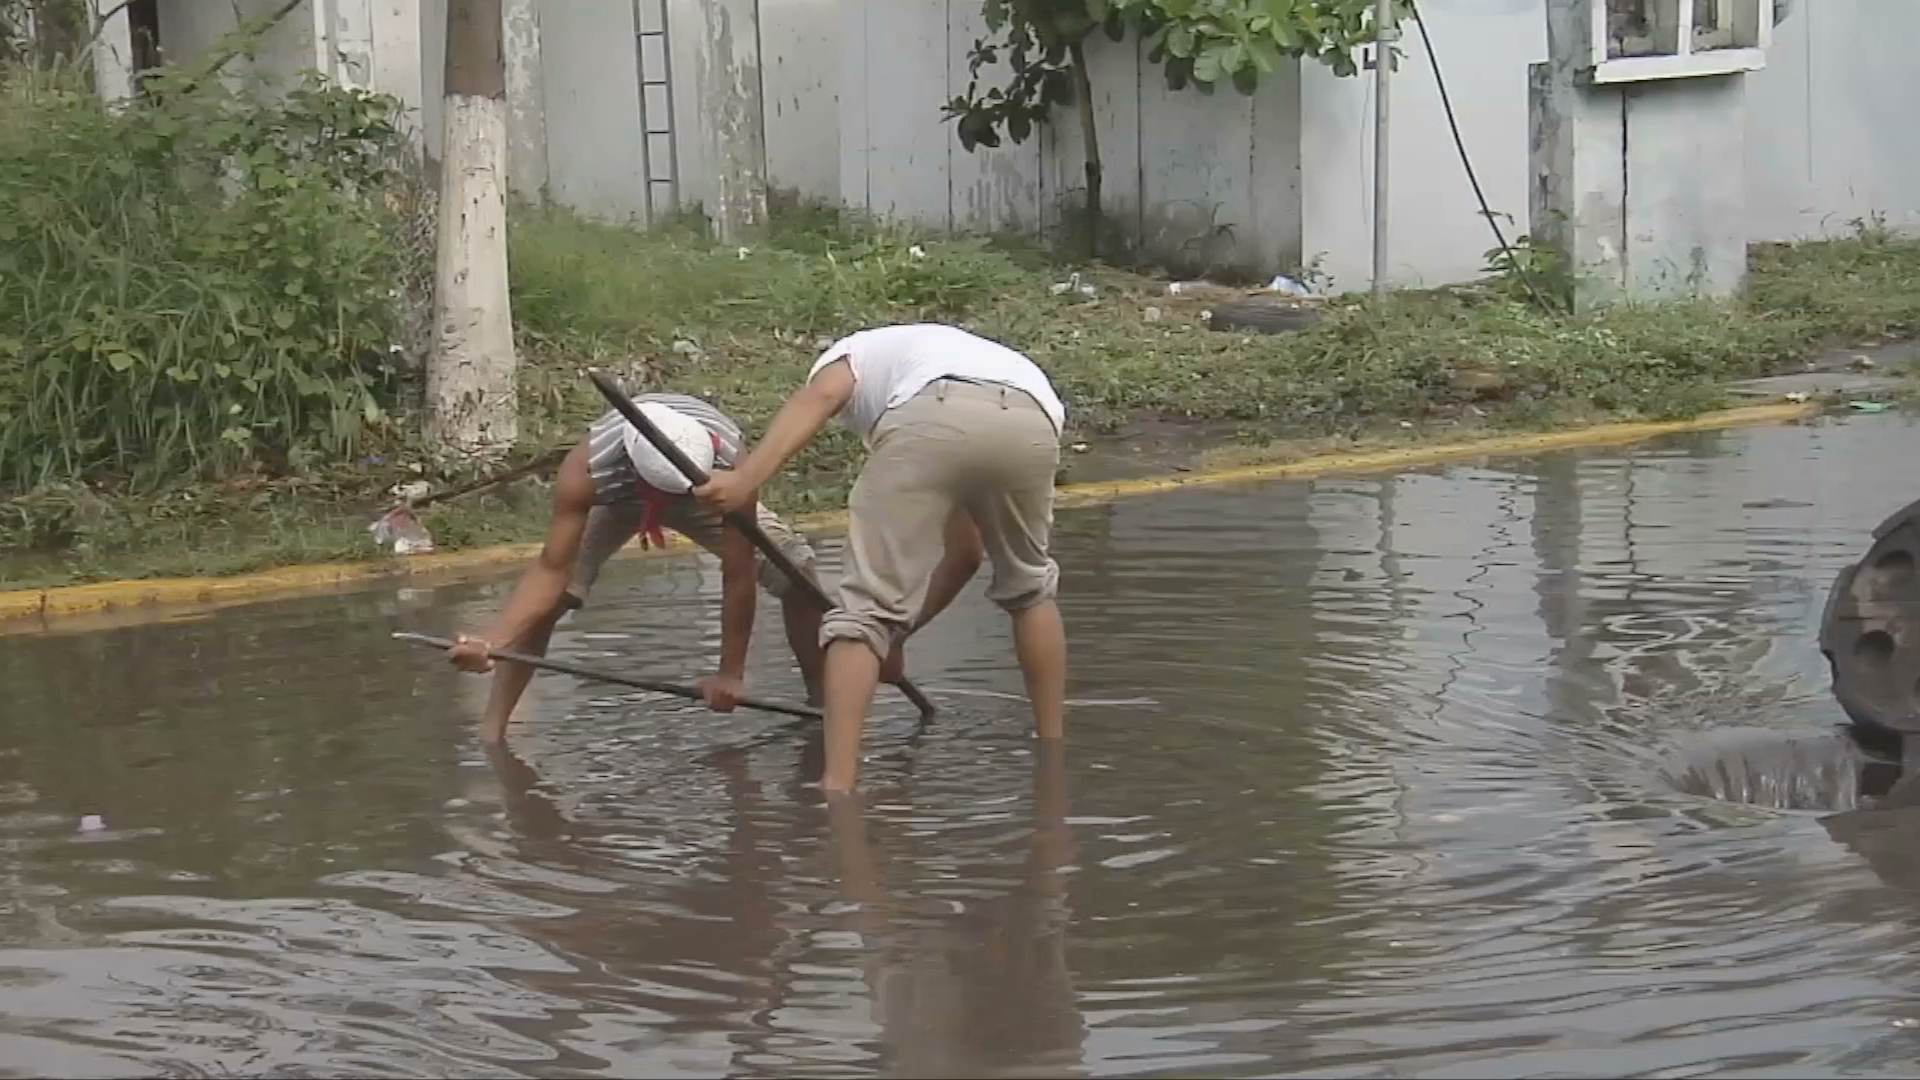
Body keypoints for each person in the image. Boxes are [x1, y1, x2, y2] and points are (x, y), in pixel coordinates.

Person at [694, 323, 1069, 793]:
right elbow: (966, 553)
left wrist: (746, 478)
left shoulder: (848, 356)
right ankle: (1053, 755)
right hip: (1032, 423)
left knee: (864, 611)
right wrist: (900, 637)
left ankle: (838, 788)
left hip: (934, 413)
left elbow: (821, 398)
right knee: (1030, 589)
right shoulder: (953, 352)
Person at [447, 393, 825, 744]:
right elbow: (551, 568)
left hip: (708, 493)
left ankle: (823, 706)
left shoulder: (731, 461)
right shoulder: (590, 468)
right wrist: (494, 643)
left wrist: (730, 673)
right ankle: (493, 732)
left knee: (797, 573)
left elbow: (737, 572)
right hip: (618, 497)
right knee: (551, 602)